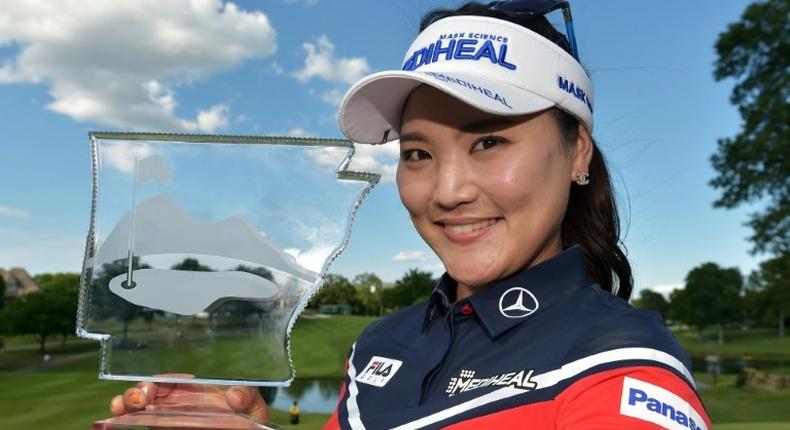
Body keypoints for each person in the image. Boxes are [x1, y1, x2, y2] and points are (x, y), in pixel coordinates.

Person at [110, 2, 712, 429]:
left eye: (489, 142)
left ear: (577, 150)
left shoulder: (621, 367)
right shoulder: (377, 346)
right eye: (418, 153)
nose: (446, 191)